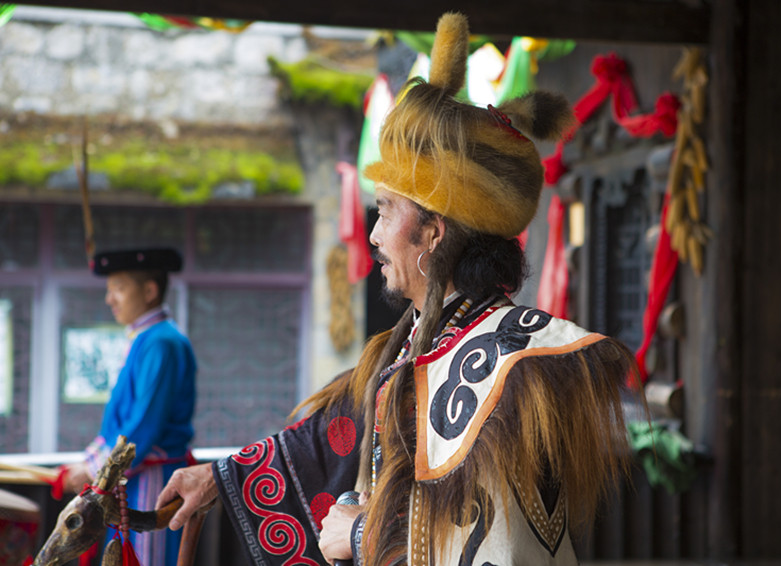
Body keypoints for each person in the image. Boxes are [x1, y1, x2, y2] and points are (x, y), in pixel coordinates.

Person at [157, 13, 637, 566]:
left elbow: (504, 547)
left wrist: (362, 535)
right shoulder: (413, 346)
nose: (374, 234)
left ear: (433, 234)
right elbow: (330, 436)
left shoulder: (515, 364)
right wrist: (218, 478)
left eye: (385, 211)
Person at [62, 247, 197, 566]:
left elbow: (144, 425)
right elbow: (121, 422)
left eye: (119, 289)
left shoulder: (161, 342)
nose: (110, 299)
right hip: (134, 474)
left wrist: (94, 469)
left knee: (143, 558)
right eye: (109, 290)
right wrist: (91, 462)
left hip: (151, 476)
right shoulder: (146, 338)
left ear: (149, 291)